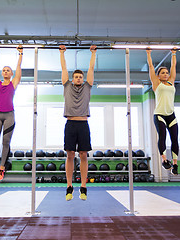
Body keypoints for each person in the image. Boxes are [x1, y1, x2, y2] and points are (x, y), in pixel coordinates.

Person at [59, 45, 97, 201]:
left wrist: (93, 53)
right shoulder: (67, 86)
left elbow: (91, 68)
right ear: (72, 78)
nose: (79, 78)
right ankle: (69, 186)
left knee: (83, 155)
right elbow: (63, 68)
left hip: (83, 124)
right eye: (76, 76)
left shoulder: (87, 87)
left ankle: (83, 186)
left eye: (80, 77)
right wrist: (62, 53)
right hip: (70, 124)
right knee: (70, 155)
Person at [0, 45, 23, 181]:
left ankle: (2, 169)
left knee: (6, 142)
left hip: (9, 115)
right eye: (4, 70)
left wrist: (20, 54)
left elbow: (19, 69)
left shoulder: (13, 83)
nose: (5, 71)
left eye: (8, 70)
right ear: (2, 73)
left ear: (11, 74)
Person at [146, 48, 179, 175]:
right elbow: (150, 66)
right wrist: (148, 53)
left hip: (171, 114)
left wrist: (174, 53)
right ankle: (164, 160)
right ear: (158, 75)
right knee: (163, 136)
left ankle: (175, 164)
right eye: (163, 73)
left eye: (166, 73)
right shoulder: (156, 83)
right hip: (159, 114)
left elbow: (173, 66)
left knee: (175, 139)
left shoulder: (171, 82)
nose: (165, 74)